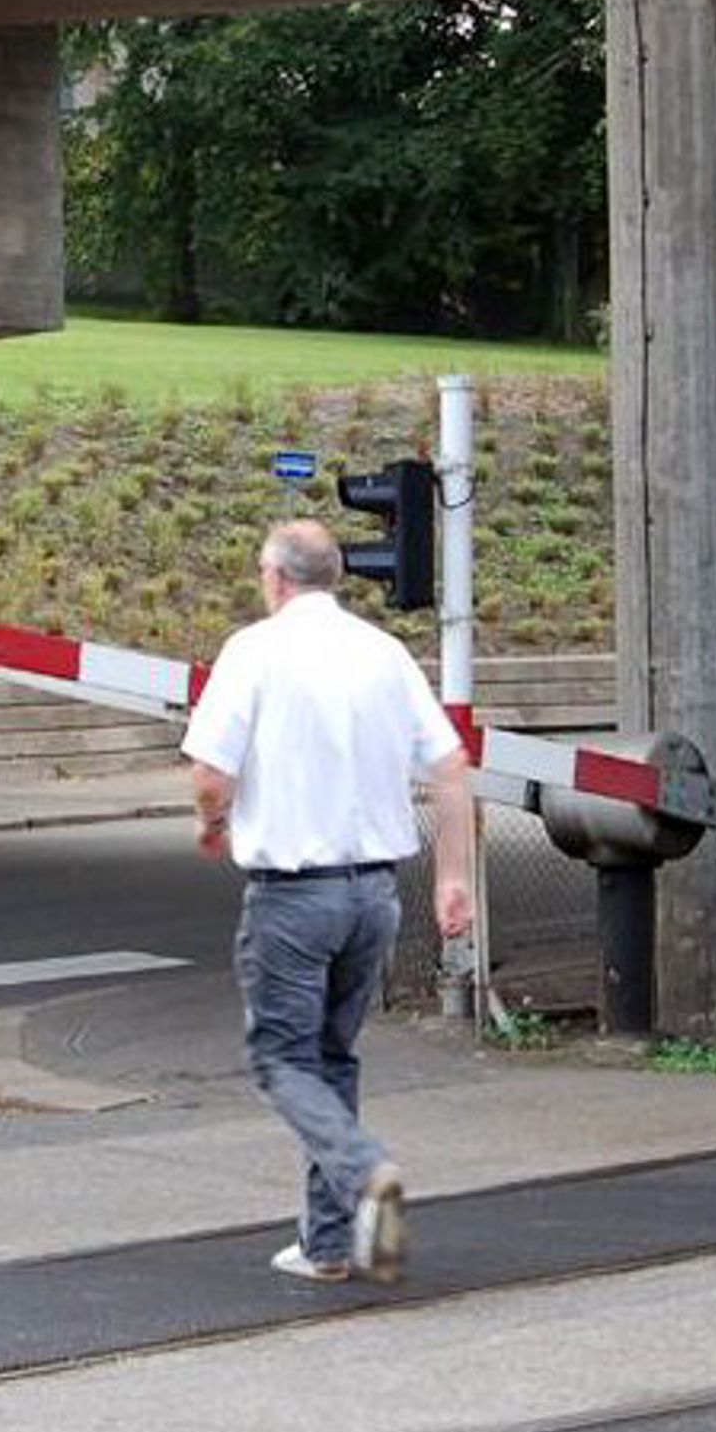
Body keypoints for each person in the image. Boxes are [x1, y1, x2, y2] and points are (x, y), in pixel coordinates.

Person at [181, 519, 472, 1285]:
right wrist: (453, 877)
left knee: (280, 1057)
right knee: (333, 1057)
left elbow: (210, 772)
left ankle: (363, 1167)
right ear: (333, 577)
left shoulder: (255, 650)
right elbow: (450, 767)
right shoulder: (384, 654)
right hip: (375, 895)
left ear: (275, 579)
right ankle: (328, 1243)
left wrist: (213, 824)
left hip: (294, 899)